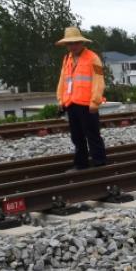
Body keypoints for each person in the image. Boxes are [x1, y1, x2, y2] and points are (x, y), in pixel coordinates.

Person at [55, 27, 107, 170]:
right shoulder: (67, 59)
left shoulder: (93, 58)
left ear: (82, 43)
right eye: (70, 44)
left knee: (92, 135)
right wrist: (61, 99)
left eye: (76, 43)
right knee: (77, 136)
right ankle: (81, 163)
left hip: (87, 104)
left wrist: (95, 101)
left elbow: (99, 80)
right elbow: (63, 80)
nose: (73, 46)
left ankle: (100, 162)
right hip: (71, 103)